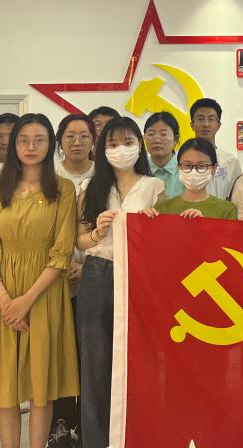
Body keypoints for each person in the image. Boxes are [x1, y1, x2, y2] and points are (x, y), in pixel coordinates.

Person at [0, 114, 79, 448]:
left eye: (39, 140)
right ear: (14, 145)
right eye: (23, 140)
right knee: (4, 386)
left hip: (44, 293)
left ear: (50, 144)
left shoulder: (63, 189)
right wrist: (7, 302)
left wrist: (26, 301)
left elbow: (62, 251)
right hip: (0, 295)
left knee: (40, 385)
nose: (31, 147)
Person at [75, 116, 164, 447]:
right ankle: (97, 441)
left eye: (128, 142)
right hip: (97, 274)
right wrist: (97, 233)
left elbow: (164, 242)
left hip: (138, 278)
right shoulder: (91, 188)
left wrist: (153, 227)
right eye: (112, 144)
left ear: (139, 146)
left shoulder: (154, 187)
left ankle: (137, 437)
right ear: (102, 149)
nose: (120, 150)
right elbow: (79, 241)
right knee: (95, 365)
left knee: (138, 364)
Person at [49, 113, 96, 446]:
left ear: (94, 140)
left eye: (84, 136)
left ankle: (89, 422)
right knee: (59, 354)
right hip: (54, 279)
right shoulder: (49, 179)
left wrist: (87, 266)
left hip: (95, 277)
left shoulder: (105, 177)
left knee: (89, 353)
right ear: (60, 141)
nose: (77, 142)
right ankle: (61, 422)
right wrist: (60, 266)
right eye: (70, 136)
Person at [154, 139, 238, 219]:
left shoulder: (227, 210)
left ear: (214, 168)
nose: (193, 171)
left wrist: (203, 224)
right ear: (179, 167)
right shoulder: (162, 209)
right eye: (187, 165)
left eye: (201, 166)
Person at [189, 98, 243, 200]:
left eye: (211, 119)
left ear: (219, 125)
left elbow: (235, 197)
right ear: (192, 125)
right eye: (200, 119)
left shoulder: (231, 161)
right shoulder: (182, 159)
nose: (206, 124)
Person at [143, 111, 182, 199]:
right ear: (144, 138)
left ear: (176, 139)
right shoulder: (139, 169)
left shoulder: (185, 170)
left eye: (163, 134)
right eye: (151, 134)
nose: (157, 140)